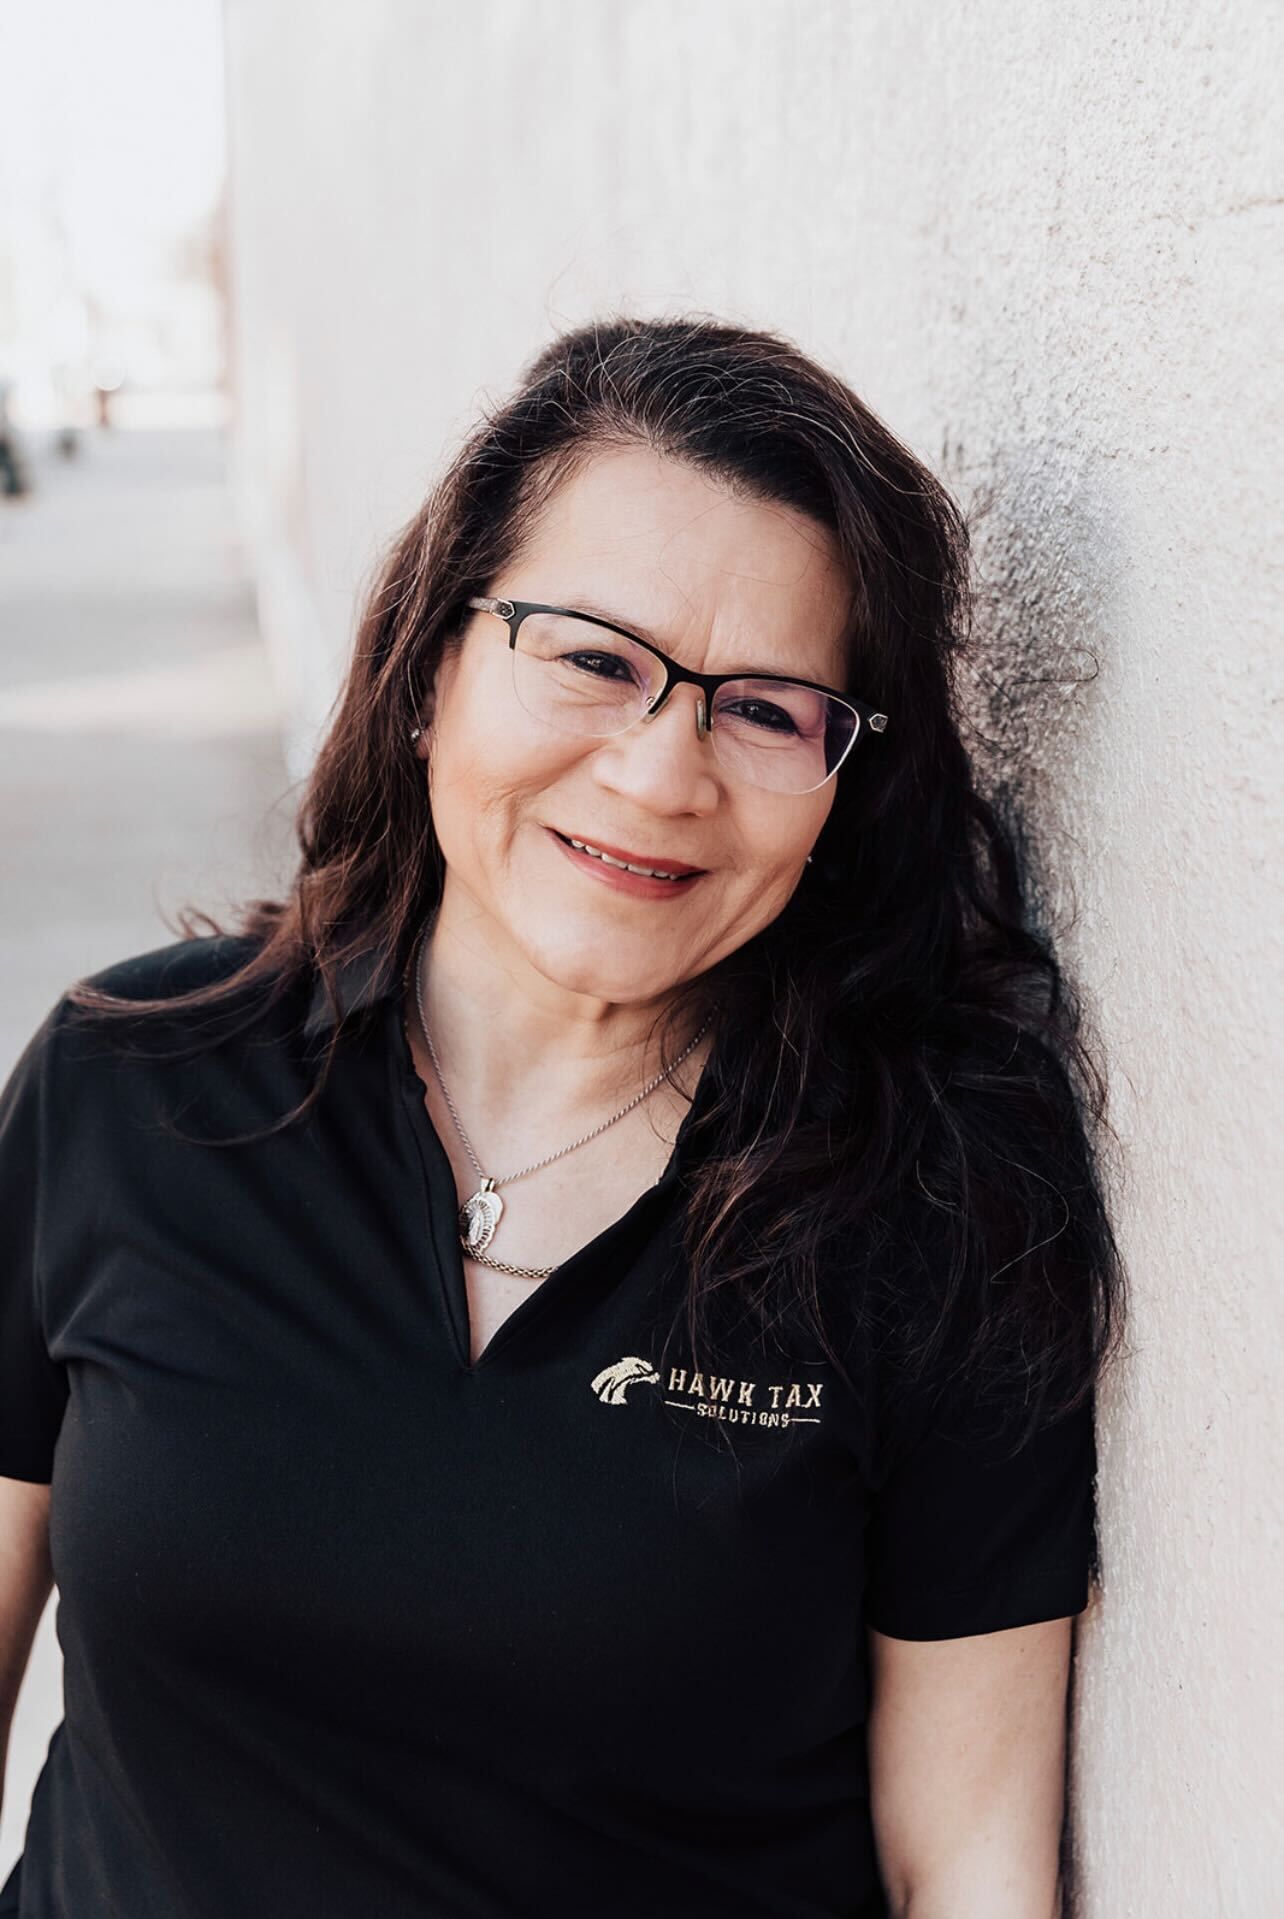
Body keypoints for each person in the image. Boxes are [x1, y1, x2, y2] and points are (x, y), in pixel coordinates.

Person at [0, 315, 1124, 1918]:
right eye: (594, 659)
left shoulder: (937, 1198)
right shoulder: (129, 1085)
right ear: (433, 671)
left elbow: (964, 1864)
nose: (662, 776)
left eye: (765, 709)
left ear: (846, 785)